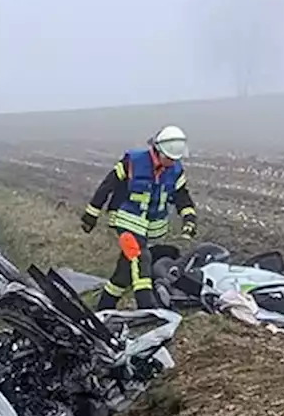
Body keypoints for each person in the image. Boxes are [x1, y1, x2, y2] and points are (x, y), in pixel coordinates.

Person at [81, 125, 197, 310]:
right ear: (158, 150)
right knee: (140, 257)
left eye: (175, 159)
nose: (171, 162)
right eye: (168, 158)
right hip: (125, 219)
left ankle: (103, 309)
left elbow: (182, 196)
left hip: (147, 227)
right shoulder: (133, 162)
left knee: (123, 273)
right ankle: (147, 308)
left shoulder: (175, 170)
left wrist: (189, 219)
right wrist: (91, 214)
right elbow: (107, 186)